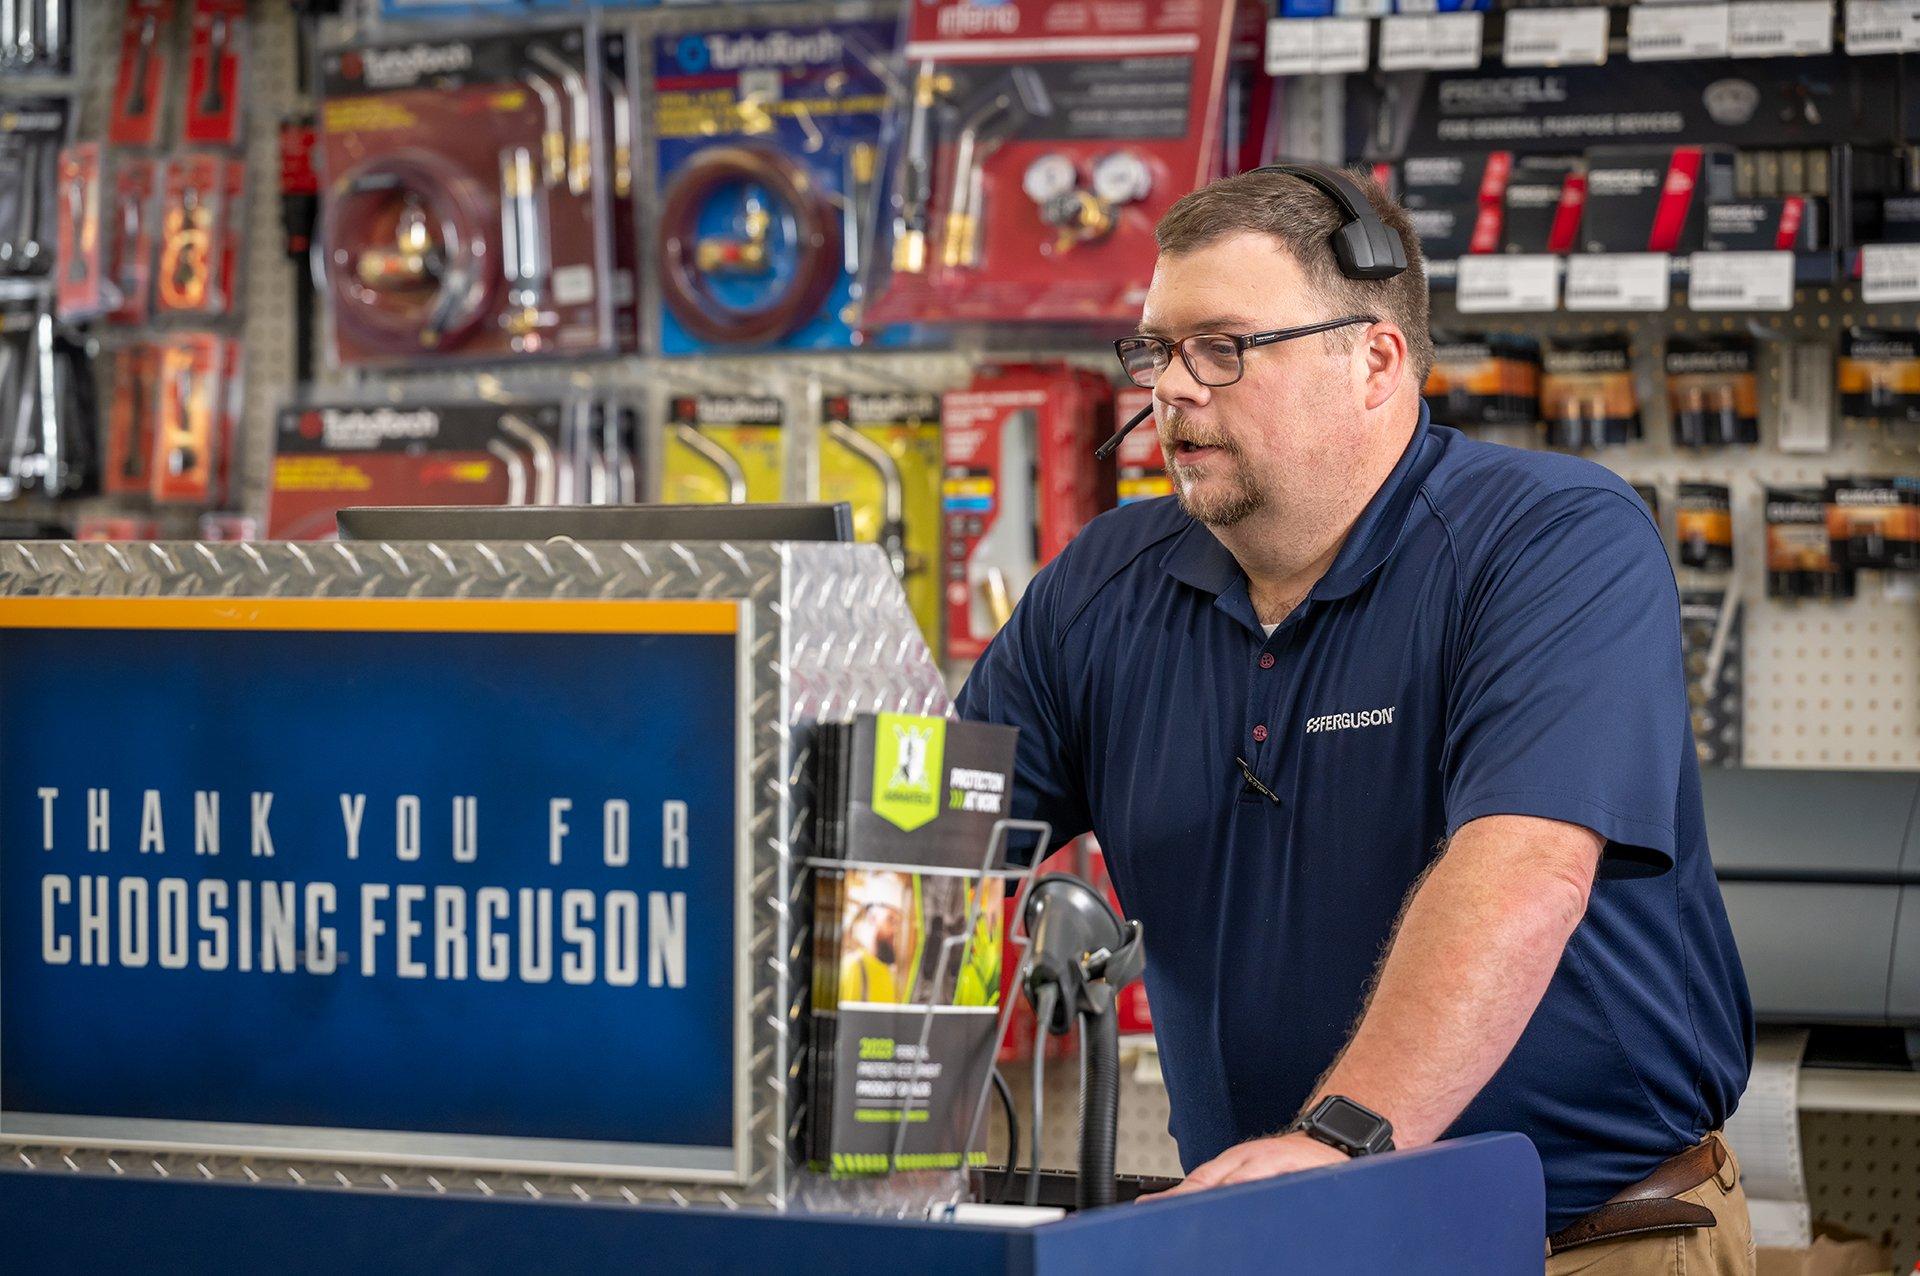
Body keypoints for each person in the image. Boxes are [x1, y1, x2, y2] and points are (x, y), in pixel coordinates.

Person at [955, 166, 1756, 1273]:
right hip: (1268, 1232)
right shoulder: (1105, 587)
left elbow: (1522, 869)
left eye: (1225, 347)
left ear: (1374, 360)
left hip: (1577, 1241)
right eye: (1155, 349)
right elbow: (927, 838)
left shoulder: (1552, 543)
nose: (1173, 390)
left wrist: (1342, 1139)